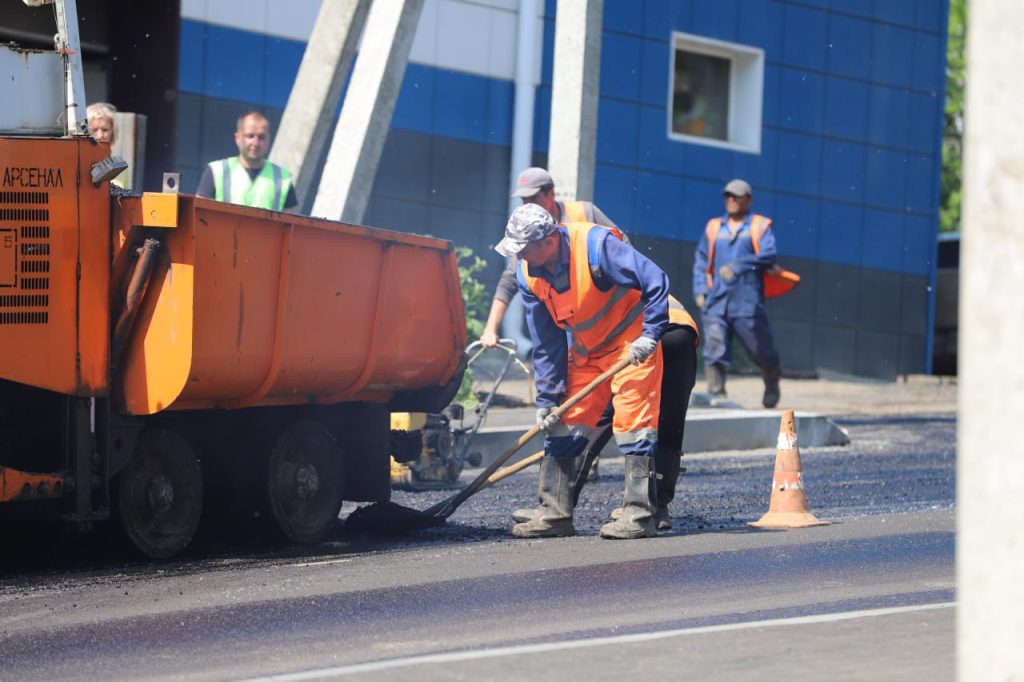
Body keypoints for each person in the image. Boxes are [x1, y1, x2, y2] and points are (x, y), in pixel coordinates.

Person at [497, 203, 669, 540]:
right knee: (563, 423)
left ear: (546, 240)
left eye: (523, 249)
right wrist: (546, 399)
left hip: (630, 344)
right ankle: (555, 513)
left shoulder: (595, 246)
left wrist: (650, 334)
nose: (519, 257)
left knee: (634, 426)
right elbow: (546, 342)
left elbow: (654, 278)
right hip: (588, 351)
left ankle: (639, 515)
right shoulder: (528, 273)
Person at [480, 167, 617, 352]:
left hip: (606, 313)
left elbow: (623, 250)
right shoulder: (527, 234)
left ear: (551, 193)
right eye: (524, 200)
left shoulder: (584, 213)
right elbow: (509, 281)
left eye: (534, 198)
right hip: (566, 321)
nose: (528, 204)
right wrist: (490, 328)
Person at [692, 178, 782, 408]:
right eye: (728, 196)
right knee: (714, 345)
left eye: (736, 196)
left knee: (759, 348)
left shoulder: (759, 226)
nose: (731, 200)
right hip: (717, 298)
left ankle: (771, 378)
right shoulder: (714, 227)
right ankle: (716, 393)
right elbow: (702, 259)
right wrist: (700, 288)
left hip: (747, 299)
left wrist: (739, 265)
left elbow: (769, 255)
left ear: (748, 199)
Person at [195, 111, 298, 213]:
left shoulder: (283, 178)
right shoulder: (216, 171)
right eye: (250, 136)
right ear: (238, 138)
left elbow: (291, 224)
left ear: (268, 139)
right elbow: (198, 216)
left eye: (261, 137)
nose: (256, 143)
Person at [86, 102, 128, 189]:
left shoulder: (121, 169)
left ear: (113, 131)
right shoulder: (78, 164)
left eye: (105, 129)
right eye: (94, 129)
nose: (100, 135)